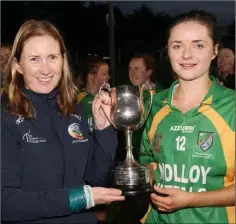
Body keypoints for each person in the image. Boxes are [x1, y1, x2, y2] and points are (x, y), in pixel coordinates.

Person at [1, 19, 125, 224]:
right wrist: (79, 199)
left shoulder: (74, 110)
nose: (45, 69)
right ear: (18, 66)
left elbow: (97, 180)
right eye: (34, 59)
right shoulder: (5, 118)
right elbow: (5, 204)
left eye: (52, 57)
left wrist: (104, 129)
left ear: (63, 60)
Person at [139, 10, 235, 224]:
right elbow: (148, 161)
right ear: (168, 51)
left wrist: (192, 199)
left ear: (214, 51)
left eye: (198, 45)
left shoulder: (232, 107)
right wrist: (144, 173)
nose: (186, 54)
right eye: (177, 45)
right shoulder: (154, 104)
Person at [77, 58, 110, 132]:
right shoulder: (79, 97)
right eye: (104, 74)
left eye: (108, 73)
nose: (108, 77)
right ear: (91, 77)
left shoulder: (106, 97)